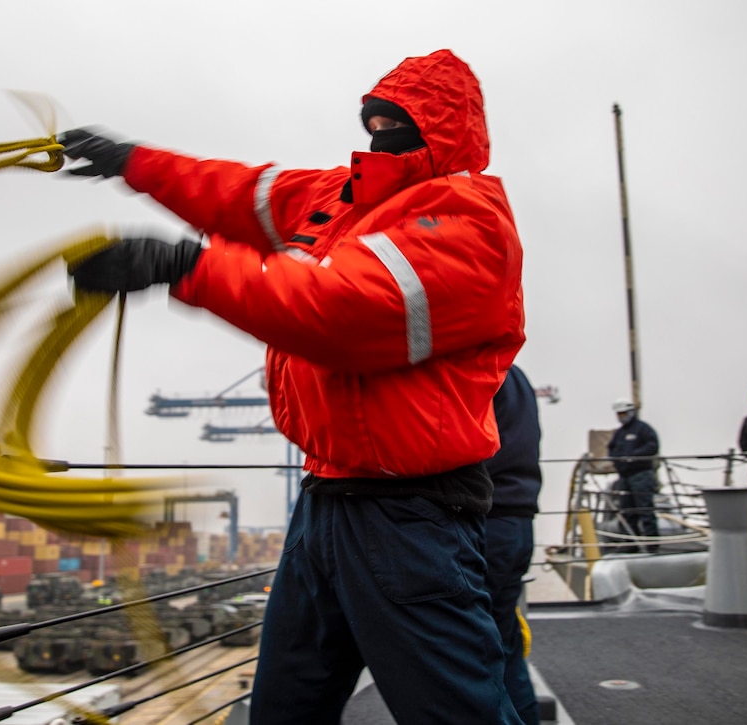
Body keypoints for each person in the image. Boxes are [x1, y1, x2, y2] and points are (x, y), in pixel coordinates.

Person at [61, 49, 525, 724]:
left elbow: (341, 311)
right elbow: (241, 191)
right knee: (284, 706)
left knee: (457, 712)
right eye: (372, 119)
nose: (377, 133)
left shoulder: (469, 223)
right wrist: (132, 161)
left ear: (441, 129)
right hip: (326, 502)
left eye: (394, 122)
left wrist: (185, 265)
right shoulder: (344, 197)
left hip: (408, 516)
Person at [484, 365, 543, 725]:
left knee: (474, 649)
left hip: (488, 521)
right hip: (518, 521)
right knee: (505, 645)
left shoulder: (484, 372)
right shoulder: (517, 376)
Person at [607, 399, 660, 553]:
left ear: (630, 412)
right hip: (624, 477)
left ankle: (652, 544)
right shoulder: (620, 433)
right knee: (627, 510)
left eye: (623, 413)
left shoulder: (643, 429)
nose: (620, 417)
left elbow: (652, 446)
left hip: (640, 475)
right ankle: (631, 542)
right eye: (618, 414)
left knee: (645, 509)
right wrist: (618, 461)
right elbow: (612, 449)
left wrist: (633, 456)